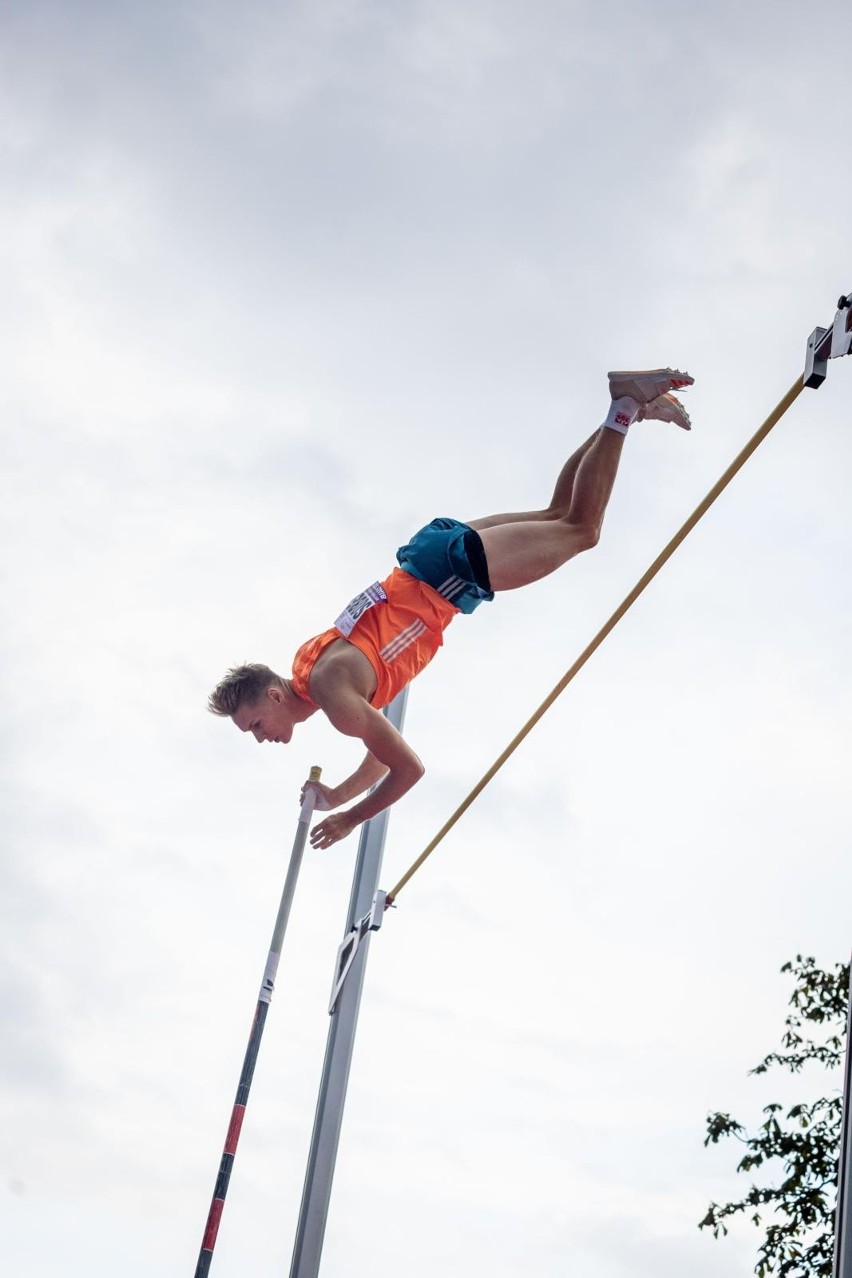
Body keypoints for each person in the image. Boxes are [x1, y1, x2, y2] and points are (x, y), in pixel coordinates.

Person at [208, 368, 693, 848]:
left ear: (273, 697)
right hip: (427, 557)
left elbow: (407, 768)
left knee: (582, 530)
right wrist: (334, 796)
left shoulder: (332, 696)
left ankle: (625, 405)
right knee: (556, 515)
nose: (259, 737)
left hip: (444, 577)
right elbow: (380, 752)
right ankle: (633, 409)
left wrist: (349, 820)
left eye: (254, 725)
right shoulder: (313, 670)